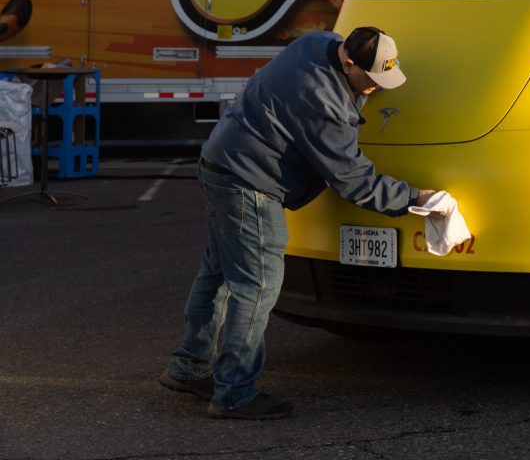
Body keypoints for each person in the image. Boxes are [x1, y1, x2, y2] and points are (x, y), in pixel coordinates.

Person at [160, 25, 442, 420]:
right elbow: (355, 183)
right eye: (372, 80)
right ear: (347, 62)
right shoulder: (325, 102)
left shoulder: (316, 41)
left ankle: (188, 367)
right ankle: (234, 393)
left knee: (219, 275)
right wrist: (416, 198)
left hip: (219, 162)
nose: (378, 89)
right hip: (250, 186)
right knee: (257, 286)